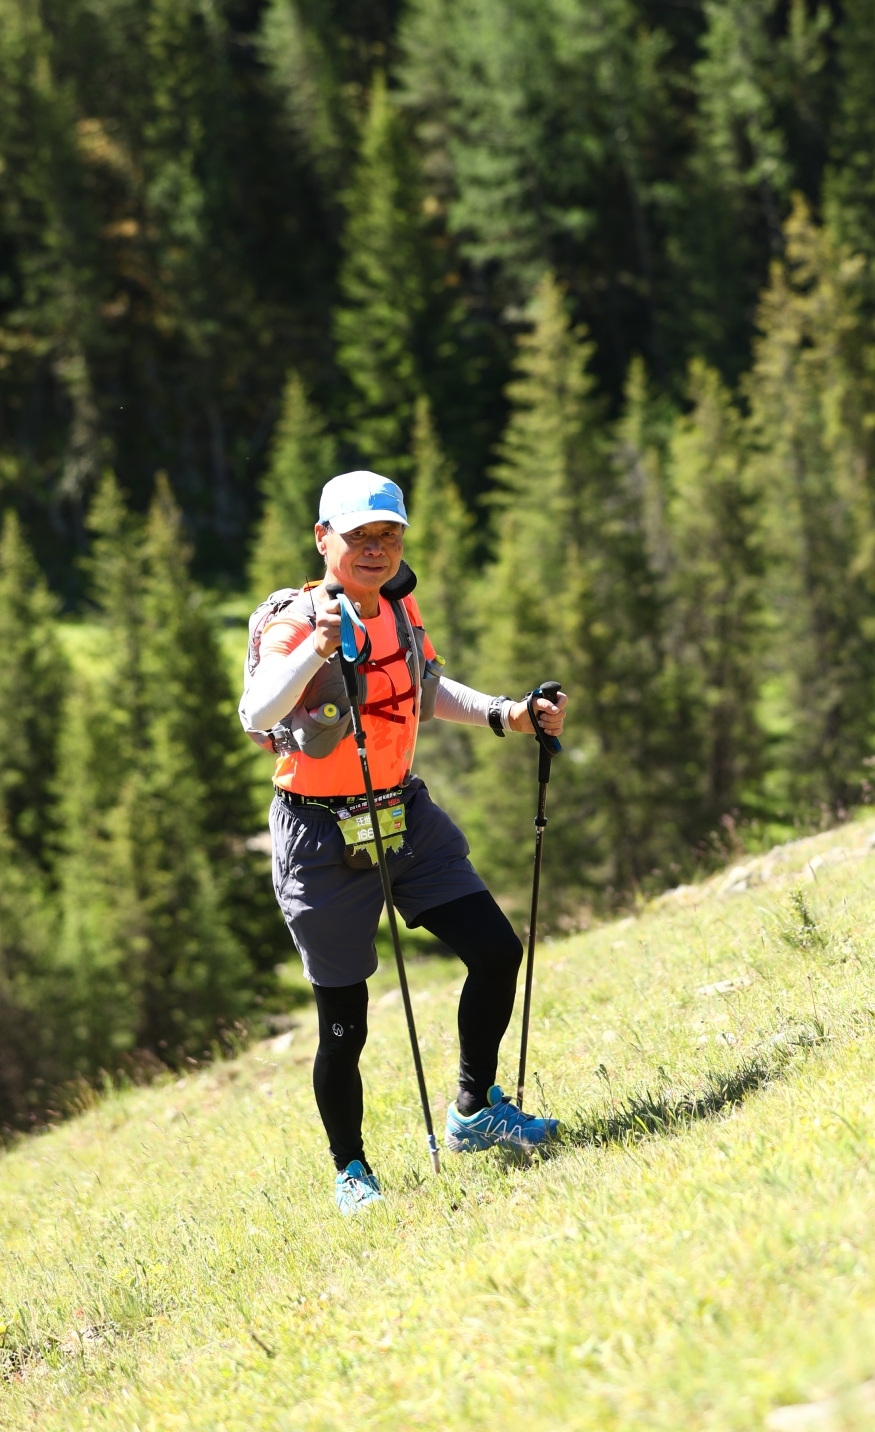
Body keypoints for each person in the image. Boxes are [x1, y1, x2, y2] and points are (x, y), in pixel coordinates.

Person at [239, 469, 568, 1215]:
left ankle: (475, 1111)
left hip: (401, 813)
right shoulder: (294, 620)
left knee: (495, 950)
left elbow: (423, 683)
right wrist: (316, 651)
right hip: (319, 835)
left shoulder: (398, 603)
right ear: (325, 539)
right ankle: (351, 1171)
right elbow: (255, 711)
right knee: (344, 1022)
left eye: (388, 535)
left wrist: (507, 715)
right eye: (360, 537)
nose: (377, 549)